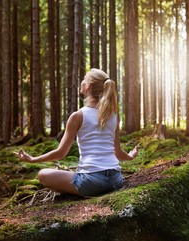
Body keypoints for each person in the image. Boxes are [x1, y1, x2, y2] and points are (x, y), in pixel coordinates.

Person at [15, 68, 138, 197]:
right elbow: (118, 153)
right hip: (115, 180)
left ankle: (84, 191)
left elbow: (60, 153)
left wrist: (33, 159)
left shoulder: (78, 116)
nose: (81, 82)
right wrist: (130, 156)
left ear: (89, 86)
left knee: (43, 174)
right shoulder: (113, 116)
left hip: (91, 182)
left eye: (84, 79)